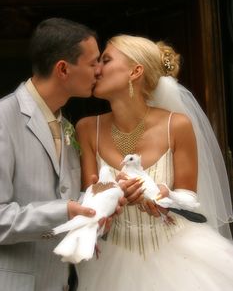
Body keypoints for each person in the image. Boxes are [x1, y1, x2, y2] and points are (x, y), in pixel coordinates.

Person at [76, 34, 233, 291]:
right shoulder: (86, 129)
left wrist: (165, 199)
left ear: (135, 71)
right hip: (112, 262)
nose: (97, 68)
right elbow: (88, 201)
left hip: (179, 259)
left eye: (105, 59)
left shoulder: (177, 125)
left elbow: (188, 196)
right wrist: (111, 195)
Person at [0, 19, 140, 291]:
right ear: (63, 69)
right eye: (93, 63)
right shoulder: (4, 119)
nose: (99, 71)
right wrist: (64, 211)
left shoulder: (67, 125)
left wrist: (99, 207)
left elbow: (70, 200)